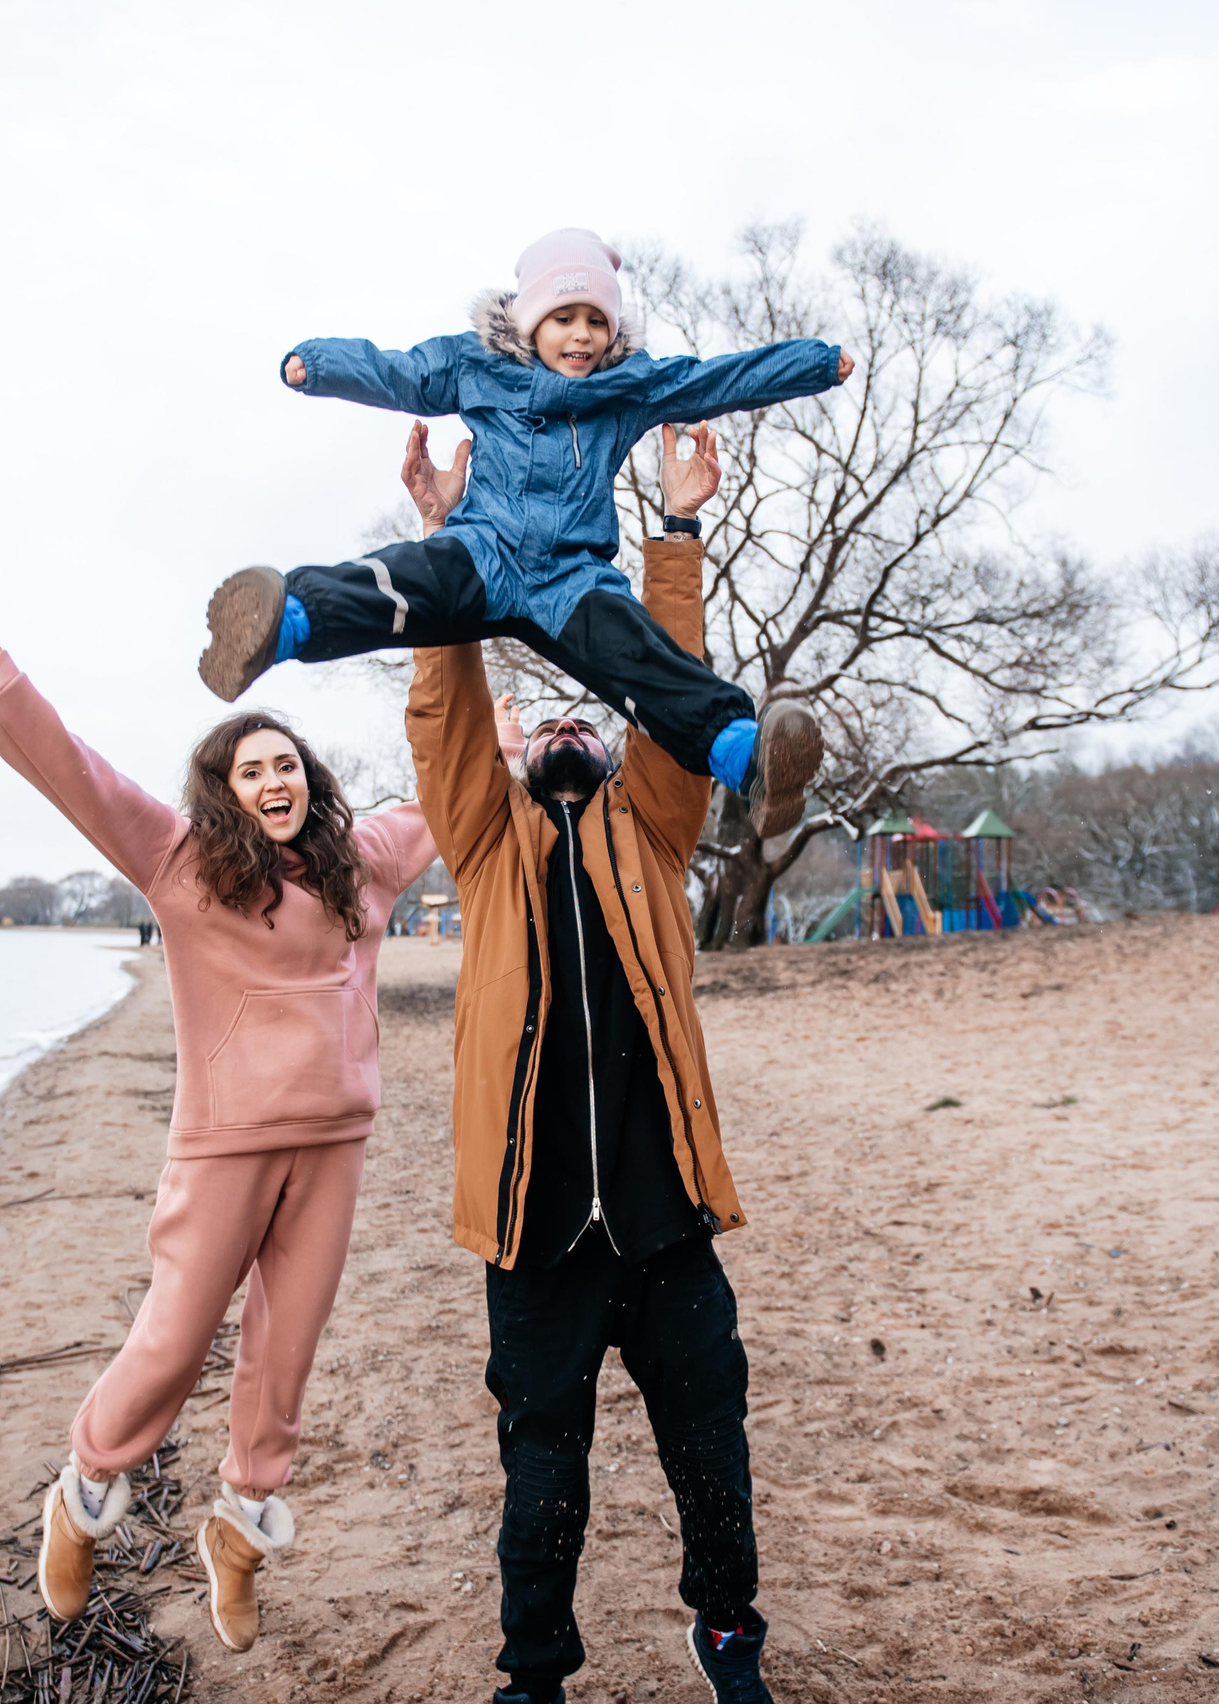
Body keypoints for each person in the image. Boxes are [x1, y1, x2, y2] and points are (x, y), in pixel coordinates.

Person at [0, 637, 436, 1652]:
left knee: (284, 1353)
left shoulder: (362, 866)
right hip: (224, 1148)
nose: (274, 781)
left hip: (334, 1145)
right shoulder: (184, 864)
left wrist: (497, 749)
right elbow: (85, 784)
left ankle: (239, 1533)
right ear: (225, 791)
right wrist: (4, 697)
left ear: (309, 778)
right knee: (172, 1342)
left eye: (286, 764)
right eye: (252, 771)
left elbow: (450, 800)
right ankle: (82, 1495)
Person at [400, 421, 780, 1704]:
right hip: (536, 1231)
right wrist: (446, 543)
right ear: (519, 747)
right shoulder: (485, 846)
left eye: (588, 710)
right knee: (542, 1472)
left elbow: (675, 687)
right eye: (544, 714)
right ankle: (534, 1677)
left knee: (710, 1451)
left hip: (666, 1222)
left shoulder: (654, 834)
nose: (568, 721)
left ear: (615, 741)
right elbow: (443, 724)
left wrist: (676, 535)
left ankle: (727, 1636)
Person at [198, 227, 849, 839]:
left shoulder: (628, 387)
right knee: (399, 585)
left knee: (641, 660)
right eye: (564, 317)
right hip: (484, 551)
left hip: (573, 580)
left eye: (597, 320)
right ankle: (281, 623)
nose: (582, 334)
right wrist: (319, 365)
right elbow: (402, 373)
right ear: (531, 319)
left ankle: (746, 760)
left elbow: (719, 380)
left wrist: (814, 365)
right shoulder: (478, 365)